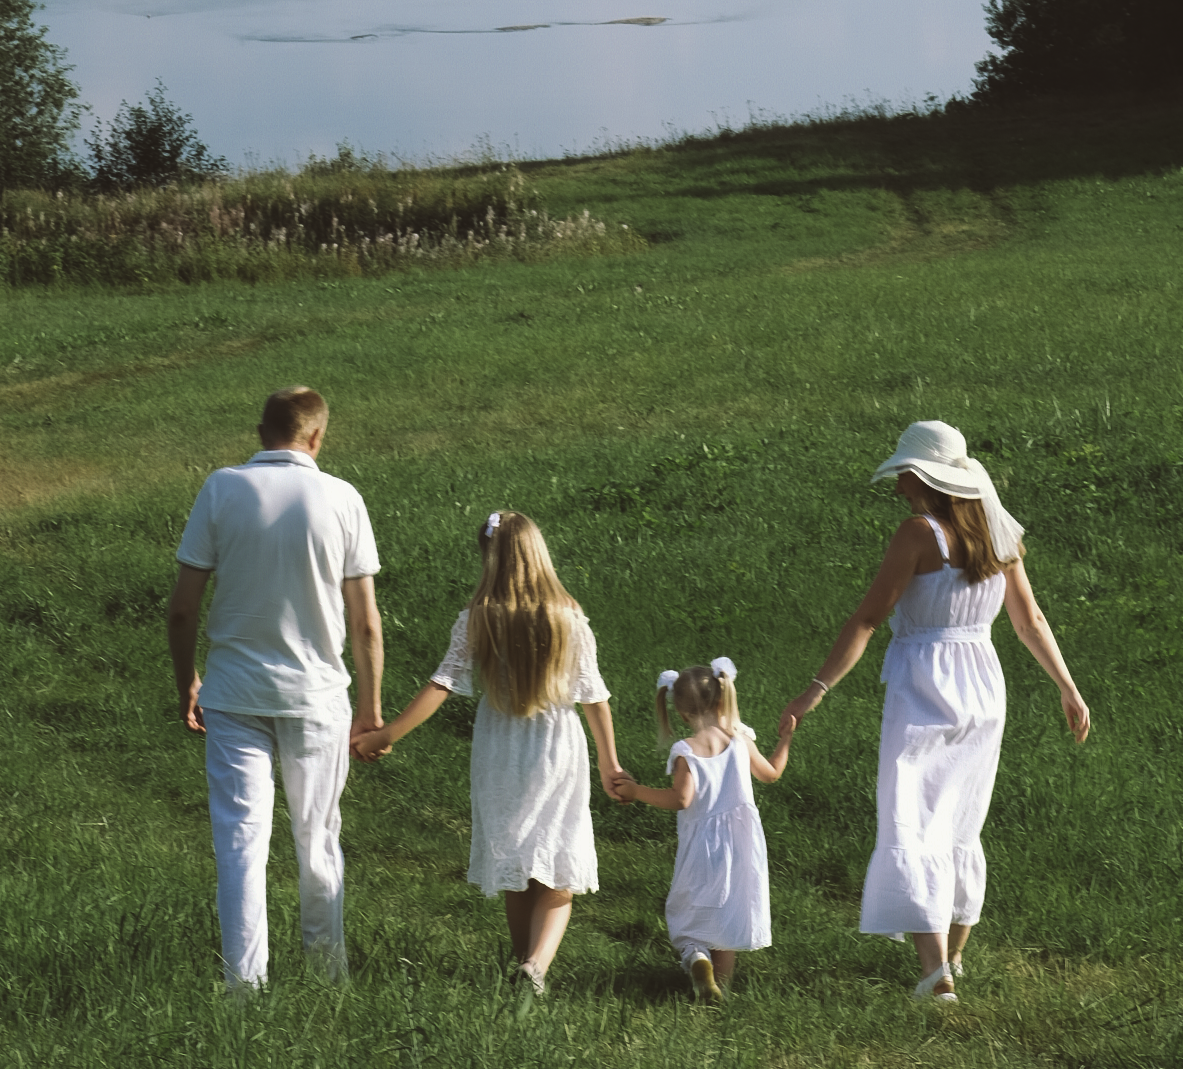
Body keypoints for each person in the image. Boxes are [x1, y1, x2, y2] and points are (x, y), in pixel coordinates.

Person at [778, 419, 1089, 1007]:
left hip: (924, 682)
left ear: (924, 479)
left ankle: (934, 972)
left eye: (904, 476)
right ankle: (957, 956)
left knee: (912, 819)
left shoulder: (918, 534)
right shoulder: (1001, 537)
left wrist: (813, 690)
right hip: (983, 687)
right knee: (961, 822)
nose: (898, 487)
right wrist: (1068, 688)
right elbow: (1029, 622)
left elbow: (867, 619)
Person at [351, 509, 621, 999]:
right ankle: (536, 968)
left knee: (516, 862)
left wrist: (387, 733)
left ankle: (522, 966)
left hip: (500, 749)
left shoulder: (478, 618)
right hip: (556, 748)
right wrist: (610, 762)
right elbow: (593, 696)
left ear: (489, 560)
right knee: (559, 868)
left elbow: (441, 685)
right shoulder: (568, 616)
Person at [166, 384, 383, 991]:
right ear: (317, 437)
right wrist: (369, 709)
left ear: (261, 432)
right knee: (318, 841)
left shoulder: (222, 488)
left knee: (241, 844)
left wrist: (188, 682)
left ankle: (245, 988)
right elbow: (365, 620)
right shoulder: (342, 498)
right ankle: (326, 980)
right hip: (317, 698)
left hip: (233, 694)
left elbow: (183, 609)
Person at [611, 654, 794, 1002]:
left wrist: (636, 792)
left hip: (701, 845)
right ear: (721, 697)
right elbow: (771, 773)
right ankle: (718, 988)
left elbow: (681, 799)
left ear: (680, 713)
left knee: (688, 909)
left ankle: (695, 955)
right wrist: (784, 739)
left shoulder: (686, 751)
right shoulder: (740, 739)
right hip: (741, 844)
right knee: (729, 910)